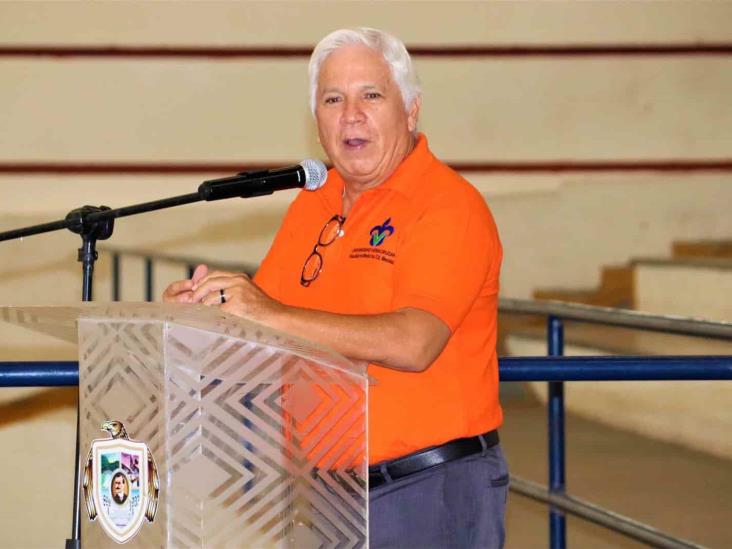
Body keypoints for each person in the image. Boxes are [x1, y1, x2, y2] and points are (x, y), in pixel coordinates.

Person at [164, 27, 507, 548]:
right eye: (333, 99)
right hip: (325, 497)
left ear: (410, 110)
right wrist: (198, 314)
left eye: (371, 94)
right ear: (317, 123)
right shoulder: (312, 206)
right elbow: (263, 330)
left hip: (425, 492)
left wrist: (267, 312)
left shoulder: (447, 205)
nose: (351, 114)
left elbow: (415, 343)